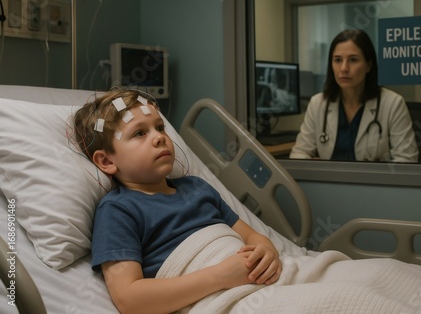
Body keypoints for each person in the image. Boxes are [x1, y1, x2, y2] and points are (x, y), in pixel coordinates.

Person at [73, 90, 282, 314]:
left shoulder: (197, 187)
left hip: (265, 279)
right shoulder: (118, 210)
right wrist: (221, 276)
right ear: (106, 160)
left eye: (160, 127)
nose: (159, 137)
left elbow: (250, 235)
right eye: (140, 133)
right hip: (227, 299)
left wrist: (266, 248)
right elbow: (129, 298)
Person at [289, 29, 418, 162]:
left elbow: (407, 160)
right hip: (328, 182)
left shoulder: (392, 104)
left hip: (374, 182)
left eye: (353, 60)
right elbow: (299, 153)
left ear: (369, 65)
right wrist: (311, 166)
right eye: (338, 60)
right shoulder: (318, 103)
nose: (344, 68)